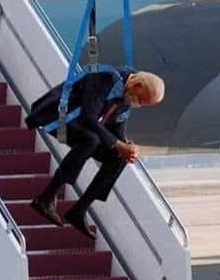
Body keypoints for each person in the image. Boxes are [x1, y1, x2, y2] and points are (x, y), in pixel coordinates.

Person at [25, 68, 165, 239]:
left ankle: (80, 210)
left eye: (143, 104)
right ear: (137, 84)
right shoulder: (106, 78)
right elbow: (89, 117)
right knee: (91, 139)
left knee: (119, 157)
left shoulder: (127, 96)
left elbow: (116, 129)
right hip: (56, 115)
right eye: (141, 100)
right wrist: (117, 144)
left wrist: (128, 147)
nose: (139, 104)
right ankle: (47, 196)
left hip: (79, 125)